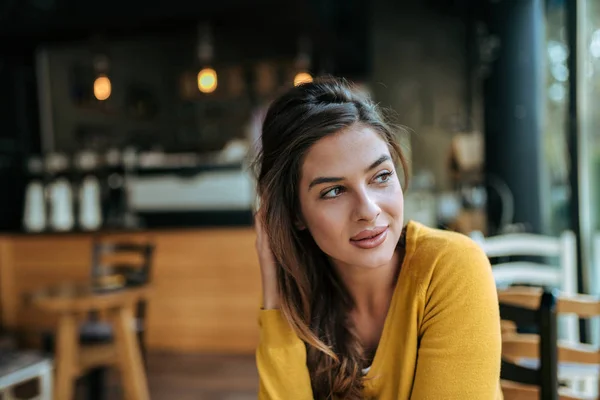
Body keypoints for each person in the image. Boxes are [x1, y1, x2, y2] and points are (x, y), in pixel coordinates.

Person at [253, 77, 502, 399]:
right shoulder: (303, 299)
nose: (368, 211)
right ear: (294, 214)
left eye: (381, 176)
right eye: (334, 191)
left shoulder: (450, 266)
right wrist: (275, 296)